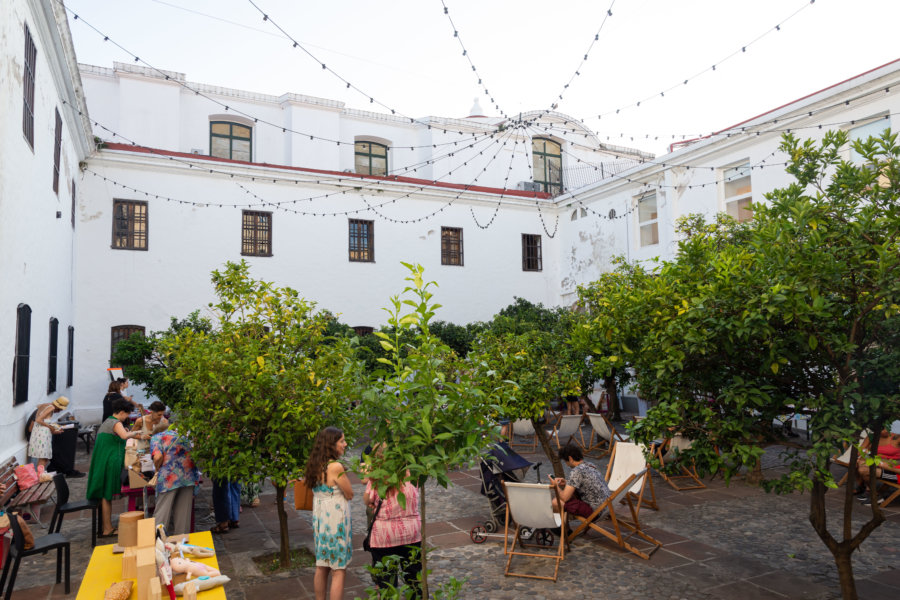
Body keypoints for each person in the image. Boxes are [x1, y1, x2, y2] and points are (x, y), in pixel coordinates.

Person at [87, 397, 149, 536]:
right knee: (106, 495)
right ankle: (107, 528)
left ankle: (107, 527)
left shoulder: (108, 421)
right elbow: (124, 436)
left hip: (104, 460)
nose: (128, 417)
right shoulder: (116, 422)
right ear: (122, 412)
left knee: (105, 495)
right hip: (110, 461)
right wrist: (137, 433)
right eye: (127, 414)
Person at [304, 427, 353, 600]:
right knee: (338, 570)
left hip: (320, 520)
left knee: (322, 566)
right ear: (331, 444)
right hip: (335, 520)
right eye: (342, 441)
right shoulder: (335, 466)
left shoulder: (315, 464)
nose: (345, 444)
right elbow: (349, 493)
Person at [364, 475, 422, 595]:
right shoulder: (413, 473)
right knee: (414, 580)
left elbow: (368, 500)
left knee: (386, 583)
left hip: (384, 536)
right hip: (410, 532)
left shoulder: (377, 477)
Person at [151, 426, 200, 535]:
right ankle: (181, 545)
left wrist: (157, 468)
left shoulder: (157, 437)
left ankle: (158, 543)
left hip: (168, 479)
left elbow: (157, 457)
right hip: (188, 477)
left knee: (162, 514)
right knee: (183, 516)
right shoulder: (186, 436)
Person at [549, 444, 611, 520]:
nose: (567, 464)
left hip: (596, 511)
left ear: (570, 458)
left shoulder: (577, 471)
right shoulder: (590, 465)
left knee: (556, 502)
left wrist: (556, 486)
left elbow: (564, 498)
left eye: (566, 461)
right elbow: (586, 482)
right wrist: (567, 482)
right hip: (607, 507)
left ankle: (560, 530)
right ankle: (565, 528)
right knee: (571, 495)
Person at [857, 430, 900, 506]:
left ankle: (874, 494)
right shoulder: (872, 436)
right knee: (861, 464)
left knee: (864, 470)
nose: (886, 430)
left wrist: (885, 466)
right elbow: (860, 451)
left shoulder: (896, 438)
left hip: (896, 473)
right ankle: (875, 494)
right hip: (891, 468)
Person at [28, 396, 69, 468]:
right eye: (60, 409)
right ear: (58, 407)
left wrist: (54, 430)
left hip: (39, 433)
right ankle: (40, 476)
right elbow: (38, 420)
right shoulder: (51, 407)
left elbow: (41, 422)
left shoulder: (45, 405)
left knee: (43, 458)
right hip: (42, 435)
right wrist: (51, 427)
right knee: (44, 458)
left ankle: (40, 475)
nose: (60, 411)